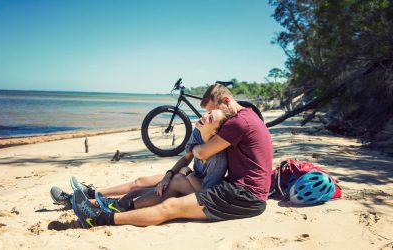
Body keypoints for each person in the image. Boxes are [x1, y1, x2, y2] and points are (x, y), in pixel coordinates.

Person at [71, 83, 273, 227]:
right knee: (157, 186)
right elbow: (194, 154)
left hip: (245, 196)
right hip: (238, 188)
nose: (205, 117)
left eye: (211, 113)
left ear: (226, 102)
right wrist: (175, 170)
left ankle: (97, 218)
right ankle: (99, 202)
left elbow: (202, 152)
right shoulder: (245, 115)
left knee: (170, 206)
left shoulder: (237, 122)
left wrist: (193, 153)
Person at [51, 109, 230, 214]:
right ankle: (90, 192)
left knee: (144, 191)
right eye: (208, 112)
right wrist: (168, 175)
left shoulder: (219, 158)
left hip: (195, 191)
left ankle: (80, 203)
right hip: (184, 179)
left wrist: (186, 173)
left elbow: (205, 192)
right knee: (140, 181)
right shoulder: (198, 133)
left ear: (215, 132)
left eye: (210, 118)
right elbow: (185, 158)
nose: (205, 115)